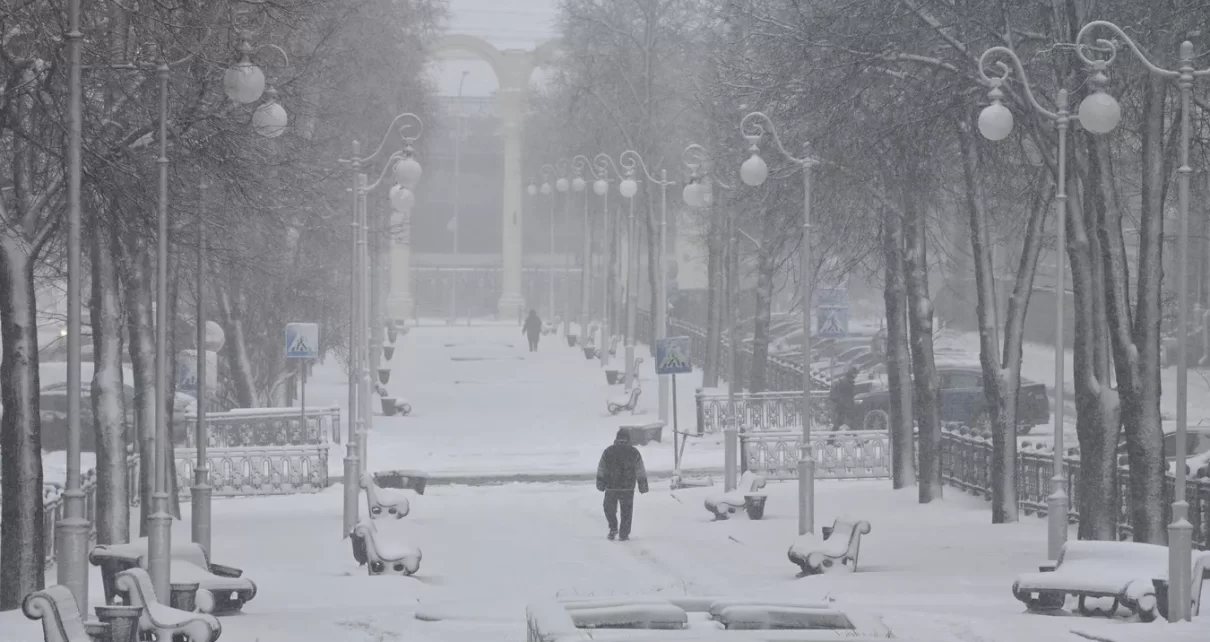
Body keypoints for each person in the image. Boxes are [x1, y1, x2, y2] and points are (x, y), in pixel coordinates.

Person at [595, 428, 649, 541]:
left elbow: (602, 468)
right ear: (628, 439)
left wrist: (600, 482)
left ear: (617, 438)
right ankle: (624, 534)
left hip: (611, 486)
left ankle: (613, 527)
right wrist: (642, 484)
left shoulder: (608, 451)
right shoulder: (634, 452)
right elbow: (640, 470)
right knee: (626, 512)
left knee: (609, 509)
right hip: (627, 487)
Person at [830, 366, 860, 431]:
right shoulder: (848, 382)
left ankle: (830, 440)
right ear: (852, 374)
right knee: (851, 422)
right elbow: (849, 394)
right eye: (855, 374)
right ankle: (858, 439)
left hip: (842, 405)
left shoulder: (844, 380)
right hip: (846, 405)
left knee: (839, 423)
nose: (856, 376)